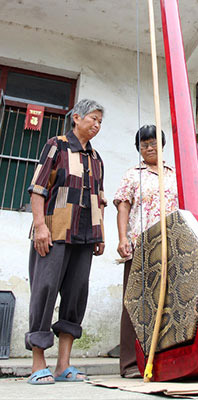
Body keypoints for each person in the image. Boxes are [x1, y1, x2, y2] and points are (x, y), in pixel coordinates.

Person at [25, 99, 106, 385]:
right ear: (77, 118)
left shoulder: (96, 158)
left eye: (100, 121)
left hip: (85, 236)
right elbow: (38, 188)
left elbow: (100, 199)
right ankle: (38, 364)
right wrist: (39, 227)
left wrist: (100, 233)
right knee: (45, 290)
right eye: (92, 119)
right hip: (54, 231)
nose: (96, 125)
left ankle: (63, 365)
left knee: (75, 296)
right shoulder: (56, 146)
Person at [113, 125, 178, 377]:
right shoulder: (133, 174)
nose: (150, 148)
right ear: (139, 148)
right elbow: (123, 207)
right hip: (140, 244)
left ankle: (163, 361)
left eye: (153, 143)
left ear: (161, 146)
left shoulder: (173, 174)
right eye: (144, 145)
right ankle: (130, 363)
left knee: (167, 304)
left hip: (171, 245)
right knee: (133, 304)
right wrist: (122, 238)